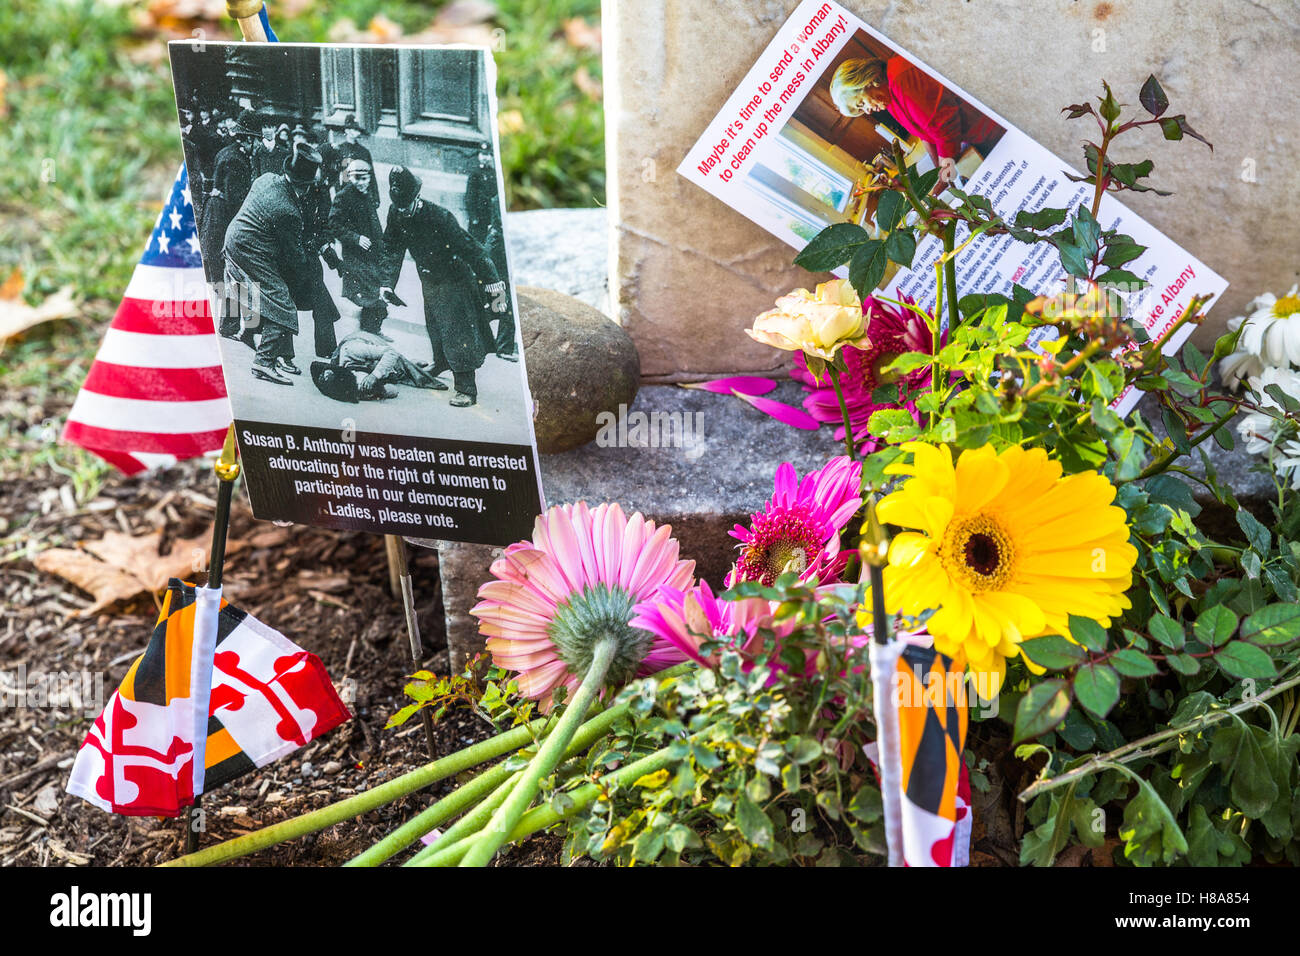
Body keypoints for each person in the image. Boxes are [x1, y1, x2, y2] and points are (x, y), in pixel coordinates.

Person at [380, 166, 507, 408]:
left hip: (454, 279)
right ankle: (441, 362)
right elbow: (391, 247)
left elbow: (474, 250)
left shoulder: (440, 217)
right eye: (399, 207)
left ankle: (466, 389)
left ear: (417, 197)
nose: (403, 212)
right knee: (435, 326)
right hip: (428, 279)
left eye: (407, 206)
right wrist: (386, 283)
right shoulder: (396, 212)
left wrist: (494, 285)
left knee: (457, 332)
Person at [221, 143, 323, 386]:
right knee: (283, 303)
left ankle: (267, 349)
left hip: (233, 240)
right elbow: (294, 256)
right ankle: (264, 362)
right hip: (249, 250)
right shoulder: (288, 210)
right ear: (305, 186)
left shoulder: (267, 179)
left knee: (261, 295)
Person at [829, 56, 1002, 193]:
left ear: (864, 82)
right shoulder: (889, 97)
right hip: (976, 135)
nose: (867, 111)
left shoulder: (901, 79)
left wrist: (945, 175)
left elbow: (945, 128)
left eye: (860, 104)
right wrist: (938, 172)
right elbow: (924, 133)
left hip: (988, 128)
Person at [206, 109, 259, 339]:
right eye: (255, 139)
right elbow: (235, 199)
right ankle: (229, 326)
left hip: (216, 217)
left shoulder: (226, 152)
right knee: (233, 271)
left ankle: (229, 325)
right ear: (247, 139)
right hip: (225, 220)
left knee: (229, 273)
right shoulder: (237, 160)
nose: (256, 144)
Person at [464, 148, 517, 362]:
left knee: (498, 304)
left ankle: (494, 343)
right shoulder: (498, 203)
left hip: (496, 261)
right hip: (497, 262)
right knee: (501, 303)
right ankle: (501, 348)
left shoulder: (500, 200)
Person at [328, 159, 388, 332]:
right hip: (356, 257)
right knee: (372, 298)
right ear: (349, 177)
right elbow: (333, 224)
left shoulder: (367, 195)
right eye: (357, 178)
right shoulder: (344, 196)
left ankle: (370, 333)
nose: (361, 183)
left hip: (371, 255)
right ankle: (367, 335)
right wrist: (355, 238)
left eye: (365, 178)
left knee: (376, 298)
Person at [334, 113, 379, 208]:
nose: (357, 132)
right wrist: (339, 194)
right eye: (354, 129)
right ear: (347, 130)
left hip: (363, 192)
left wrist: (375, 197)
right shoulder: (340, 150)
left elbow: (371, 175)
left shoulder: (364, 152)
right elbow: (337, 176)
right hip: (346, 193)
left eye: (358, 130)